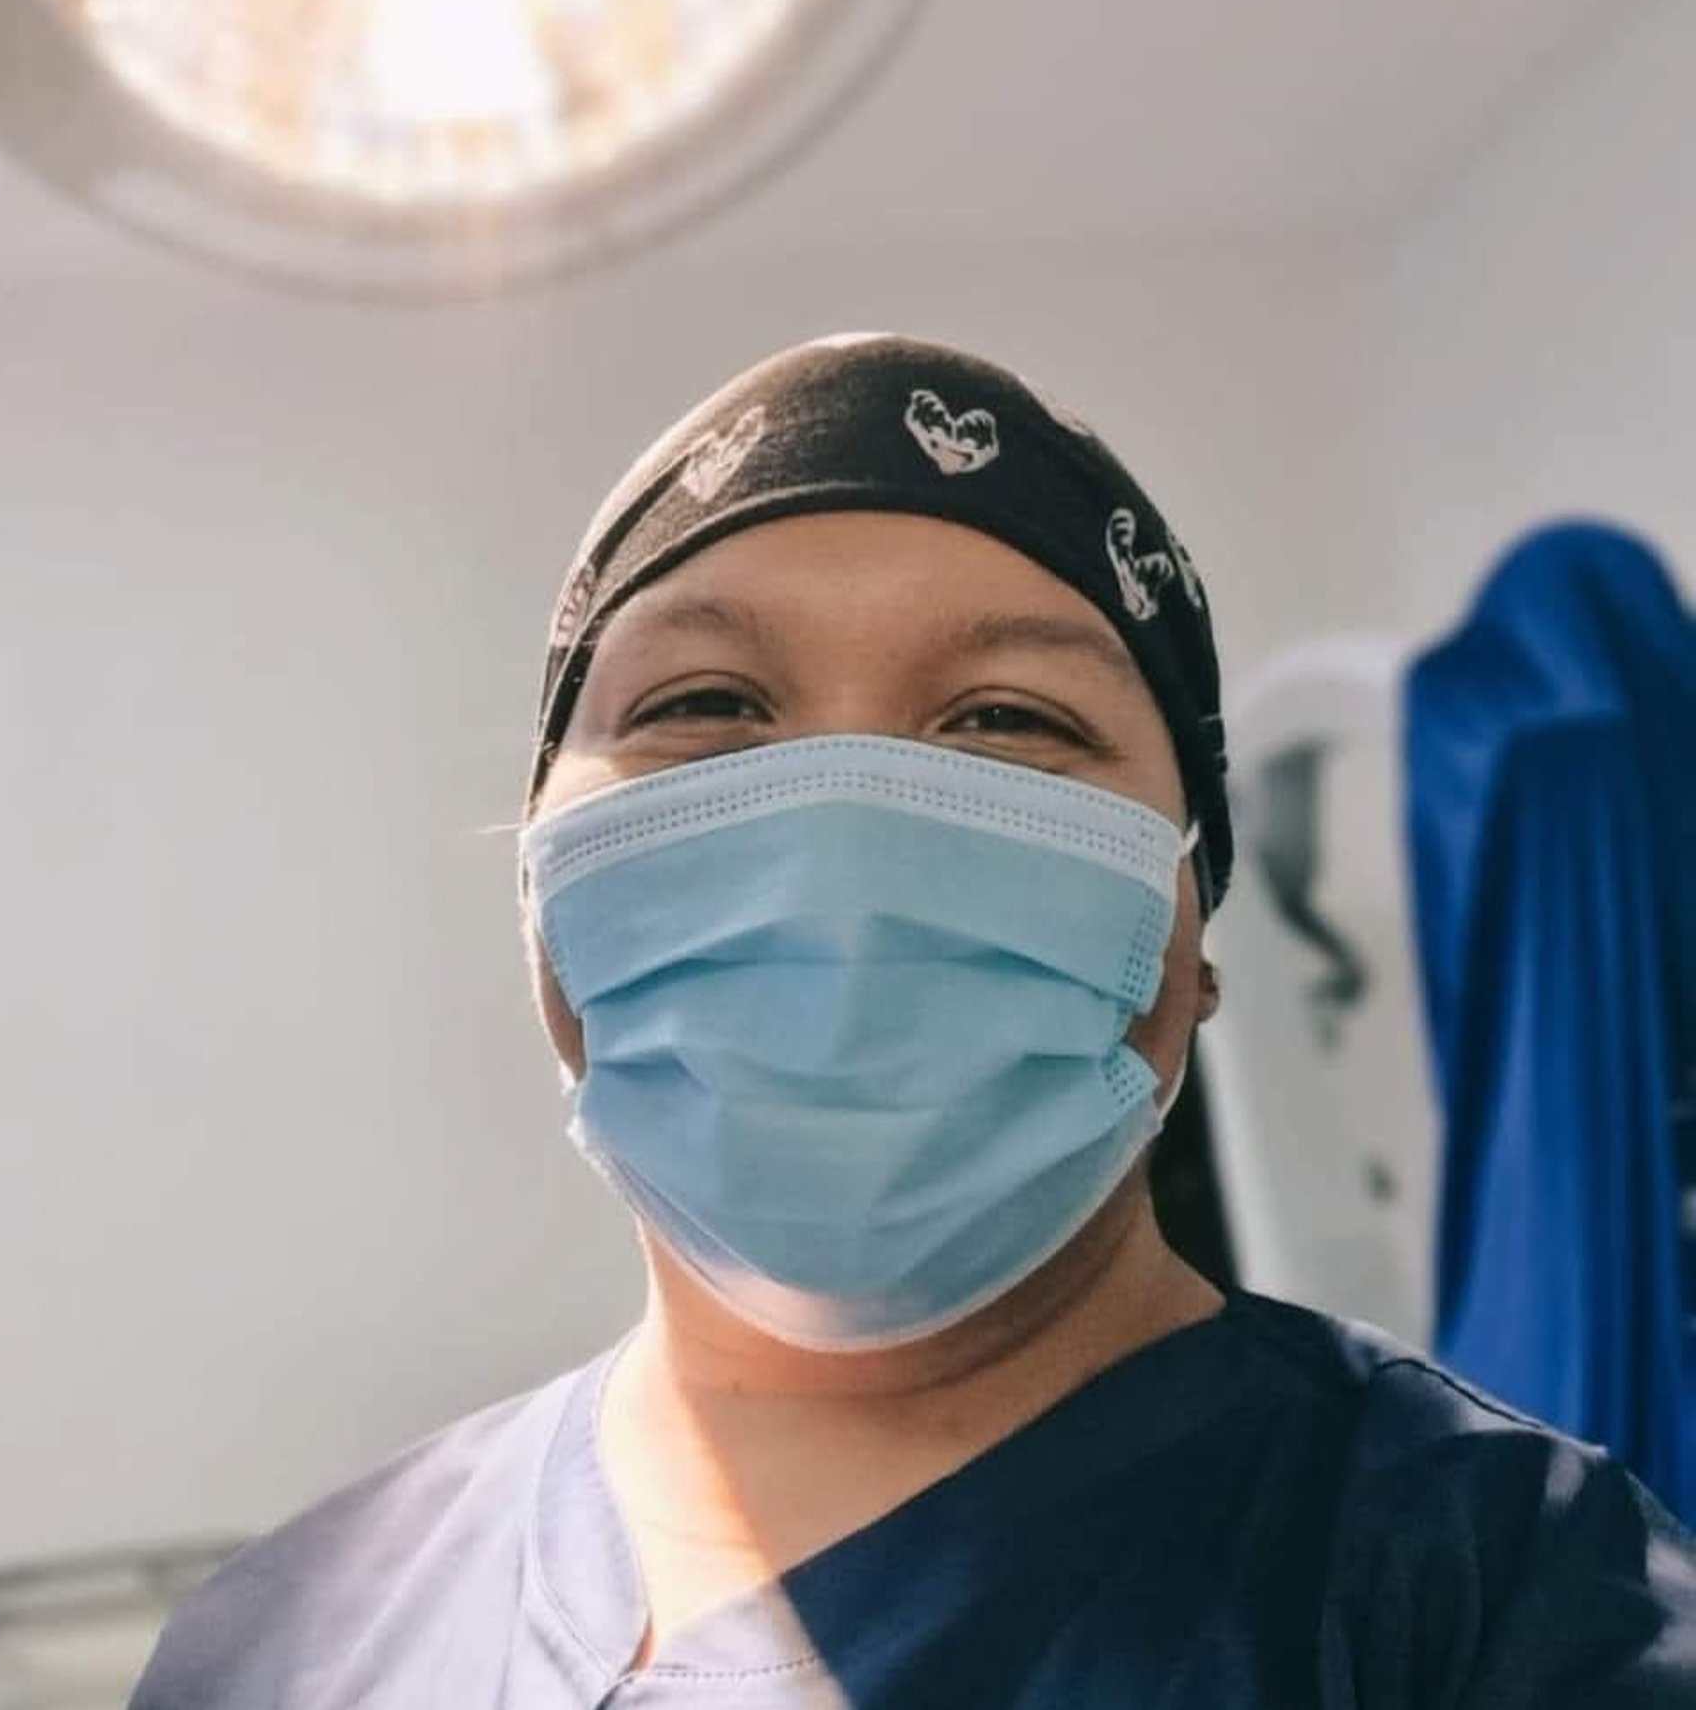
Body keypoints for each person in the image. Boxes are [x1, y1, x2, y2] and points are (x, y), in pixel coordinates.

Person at [132, 335, 1696, 1708]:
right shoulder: (279, 1646)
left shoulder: (1500, 1596)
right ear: (542, 895)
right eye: (705, 707)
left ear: (1190, 932)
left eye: (1009, 721)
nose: (840, 842)